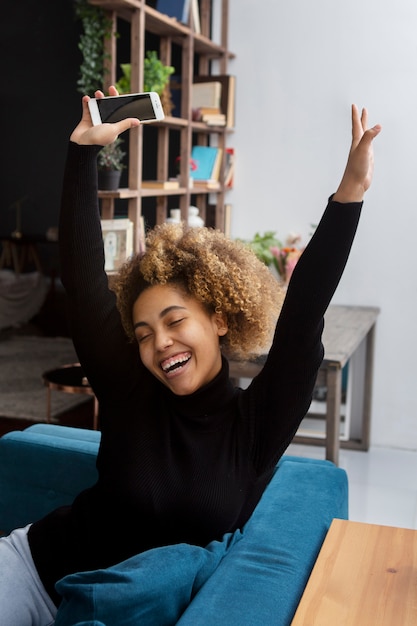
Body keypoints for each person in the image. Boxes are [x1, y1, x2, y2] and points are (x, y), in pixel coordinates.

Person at [0, 87, 381, 625]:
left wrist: (350, 193)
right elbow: (84, 287)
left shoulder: (255, 426)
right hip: (33, 572)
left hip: (111, 609)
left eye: (176, 322)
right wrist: (82, 151)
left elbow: (301, 320)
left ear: (220, 320)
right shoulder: (131, 389)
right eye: (144, 333)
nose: (161, 344)